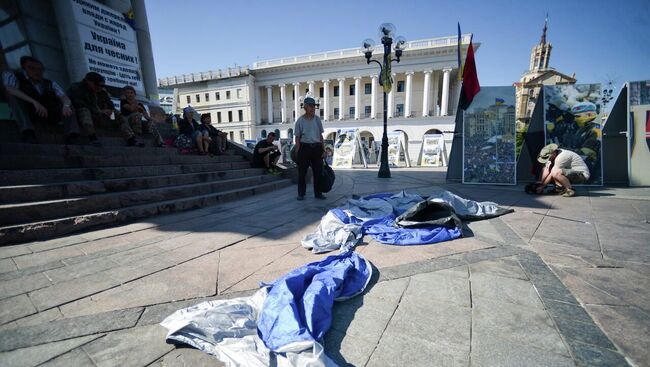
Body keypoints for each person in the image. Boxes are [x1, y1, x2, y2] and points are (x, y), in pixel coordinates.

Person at [2, 56, 79, 144]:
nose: (37, 72)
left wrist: (66, 106)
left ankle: (72, 136)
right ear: (24, 69)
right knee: (14, 97)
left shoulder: (50, 83)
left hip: (48, 113)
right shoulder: (13, 75)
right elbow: (10, 89)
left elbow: (65, 97)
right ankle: (28, 132)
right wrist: (34, 102)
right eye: (32, 68)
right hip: (30, 112)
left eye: (40, 69)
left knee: (69, 106)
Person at [68, 72, 141, 147]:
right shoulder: (76, 88)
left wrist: (110, 111)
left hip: (98, 115)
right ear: (89, 82)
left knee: (117, 113)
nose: (100, 87)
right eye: (98, 85)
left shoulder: (102, 92)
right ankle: (92, 138)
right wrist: (100, 111)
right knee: (84, 110)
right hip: (80, 117)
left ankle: (131, 139)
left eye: (102, 86)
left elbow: (111, 105)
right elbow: (78, 104)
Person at [294, 97, 326, 200]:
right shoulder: (300, 121)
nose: (313, 108)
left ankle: (318, 193)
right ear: (305, 107)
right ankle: (301, 194)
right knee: (302, 173)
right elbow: (297, 138)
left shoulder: (317, 119)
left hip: (317, 148)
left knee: (318, 172)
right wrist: (297, 152)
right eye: (310, 106)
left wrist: (323, 149)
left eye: (314, 106)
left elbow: (321, 136)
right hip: (304, 148)